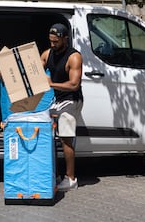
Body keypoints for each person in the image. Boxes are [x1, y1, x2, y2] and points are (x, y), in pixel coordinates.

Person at [41, 23, 83, 191]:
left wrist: (52, 84)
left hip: (72, 100)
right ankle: (55, 174)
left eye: (56, 41)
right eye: (50, 41)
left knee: (65, 138)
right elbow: (33, 70)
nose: (53, 44)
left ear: (65, 39)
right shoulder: (47, 53)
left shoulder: (74, 57)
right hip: (58, 100)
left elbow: (74, 85)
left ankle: (71, 179)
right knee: (49, 136)